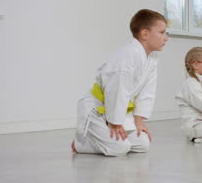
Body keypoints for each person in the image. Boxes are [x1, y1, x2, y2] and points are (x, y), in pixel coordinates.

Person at [71, 9, 168, 156]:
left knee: (143, 144)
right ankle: (82, 144)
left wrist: (139, 121)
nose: (166, 38)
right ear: (145, 34)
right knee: (119, 148)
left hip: (116, 111)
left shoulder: (152, 60)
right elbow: (117, 90)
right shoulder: (128, 55)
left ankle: (104, 138)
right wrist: (115, 123)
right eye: (162, 32)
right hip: (97, 110)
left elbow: (146, 93)